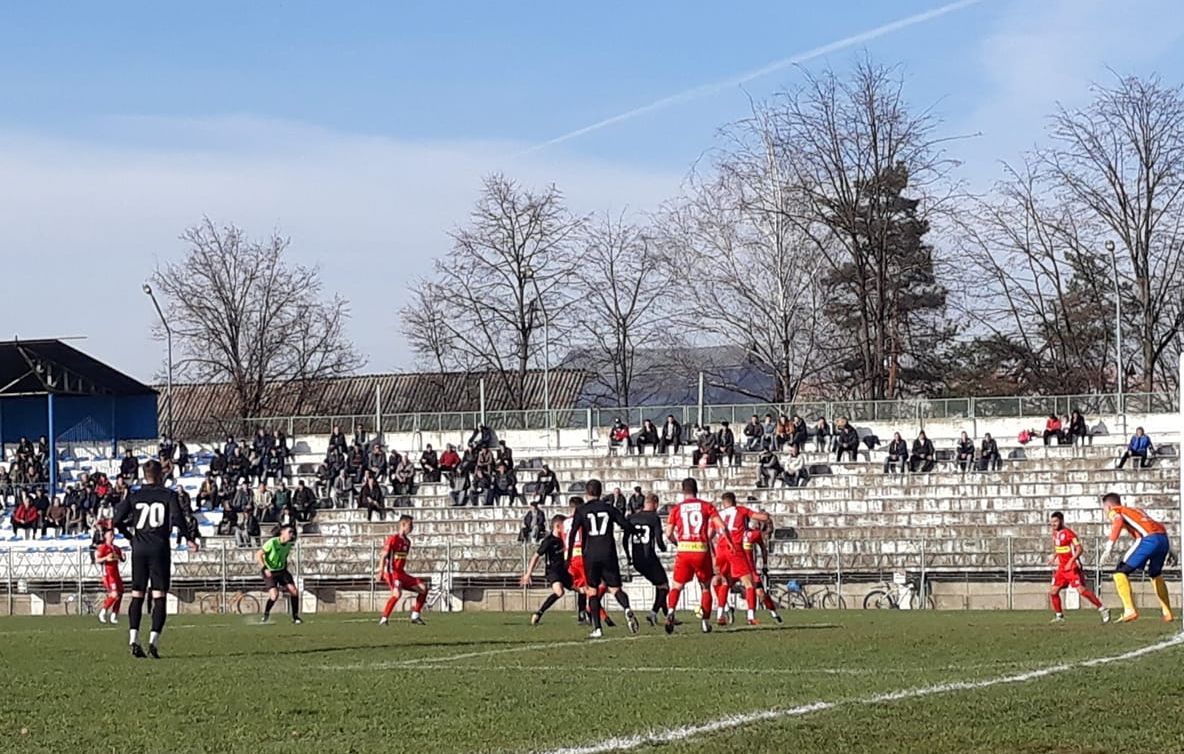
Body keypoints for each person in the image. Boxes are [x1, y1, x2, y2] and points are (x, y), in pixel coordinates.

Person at [111, 459, 199, 659]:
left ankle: (133, 638)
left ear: (144, 475)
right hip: (159, 548)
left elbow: (116, 520)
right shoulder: (168, 495)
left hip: (139, 548)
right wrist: (189, 539)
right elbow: (178, 519)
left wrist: (130, 537)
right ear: (161, 475)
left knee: (137, 595)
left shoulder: (135, 495)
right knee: (159, 597)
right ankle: (153, 642)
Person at [565, 479, 639, 638]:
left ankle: (597, 628)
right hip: (608, 552)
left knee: (592, 591)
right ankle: (626, 608)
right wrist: (635, 531)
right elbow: (624, 524)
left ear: (587, 492)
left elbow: (572, 534)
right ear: (600, 492)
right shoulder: (609, 508)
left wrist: (569, 556)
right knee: (615, 589)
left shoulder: (582, 510)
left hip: (590, 554)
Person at [663, 477, 729, 635]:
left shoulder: (677, 509)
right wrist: (729, 541)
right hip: (701, 549)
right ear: (696, 489)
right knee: (705, 587)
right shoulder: (707, 506)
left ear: (682, 490)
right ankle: (705, 623)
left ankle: (671, 611)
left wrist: (678, 543)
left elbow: (668, 534)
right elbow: (722, 526)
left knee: (677, 586)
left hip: (684, 549)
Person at [1100, 493, 1173, 623]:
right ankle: (1167, 612)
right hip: (1163, 539)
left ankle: (1129, 610)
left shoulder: (1116, 510)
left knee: (1120, 572)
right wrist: (1170, 549)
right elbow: (1157, 525)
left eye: (1104, 509)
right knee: (1155, 574)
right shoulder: (1136, 510)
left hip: (1148, 540)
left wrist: (1109, 547)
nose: (1105, 512)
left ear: (1109, 506)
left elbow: (1118, 521)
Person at [714, 492, 771, 626]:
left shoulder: (718, 514)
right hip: (734, 548)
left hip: (721, 550)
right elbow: (760, 517)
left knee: (724, 583)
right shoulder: (740, 510)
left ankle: (720, 615)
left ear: (723, 503)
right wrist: (766, 516)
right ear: (734, 501)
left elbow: (710, 533)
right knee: (749, 583)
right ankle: (751, 616)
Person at [1047, 512, 1107, 624]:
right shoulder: (1055, 533)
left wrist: (1071, 561)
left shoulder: (1069, 534)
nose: (1053, 524)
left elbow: (1079, 549)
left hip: (1072, 567)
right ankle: (1059, 616)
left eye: (1055, 522)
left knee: (1081, 590)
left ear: (1061, 521)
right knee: (1053, 592)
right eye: (1052, 522)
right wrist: (1054, 557)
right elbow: (1058, 548)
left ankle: (1102, 608)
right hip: (1062, 568)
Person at [625, 493, 669, 627]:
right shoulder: (654, 518)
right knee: (664, 586)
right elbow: (659, 539)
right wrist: (663, 548)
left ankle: (667, 615)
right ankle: (653, 614)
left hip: (637, 559)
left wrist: (628, 556)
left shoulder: (631, 517)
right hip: (649, 557)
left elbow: (624, 540)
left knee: (660, 584)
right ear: (655, 504)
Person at [520, 515, 573, 625]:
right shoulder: (548, 541)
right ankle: (539, 613)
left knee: (583, 590)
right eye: (564, 526)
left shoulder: (566, 539)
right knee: (559, 592)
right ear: (557, 526)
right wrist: (528, 574)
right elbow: (536, 556)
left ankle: (584, 615)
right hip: (553, 572)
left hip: (565, 571)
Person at [377, 515, 430, 625]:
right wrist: (381, 572)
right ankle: (384, 619)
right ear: (403, 525)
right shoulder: (393, 539)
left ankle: (415, 616)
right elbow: (383, 556)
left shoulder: (407, 542)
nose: (412, 528)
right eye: (410, 525)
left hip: (401, 573)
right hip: (392, 573)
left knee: (423, 588)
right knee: (397, 594)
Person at [256, 525, 302, 624]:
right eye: (290, 532)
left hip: (281, 570)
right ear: (282, 532)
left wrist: (284, 568)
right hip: (269, 571)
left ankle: (295, 617)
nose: (292, 534)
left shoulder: (289, 545)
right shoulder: (272, 542)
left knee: (294, 591)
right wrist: (264, 568)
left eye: (293, 532)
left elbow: (284, 557)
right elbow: (258, 554)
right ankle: (266, 615)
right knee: (274, 595)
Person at [95, 528, 125, 625]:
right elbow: (97, 560)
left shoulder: (116, 548)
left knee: (120, 593)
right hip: (108, 574)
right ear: (105, 536)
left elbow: (121, 559)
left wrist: (123, 557)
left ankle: (114, 614)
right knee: (114, 594)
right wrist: (106, 558)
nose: (113, 536)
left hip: (116, 573)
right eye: (110, 534)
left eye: (113, 534)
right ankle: (103, 611)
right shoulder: (103, 547)